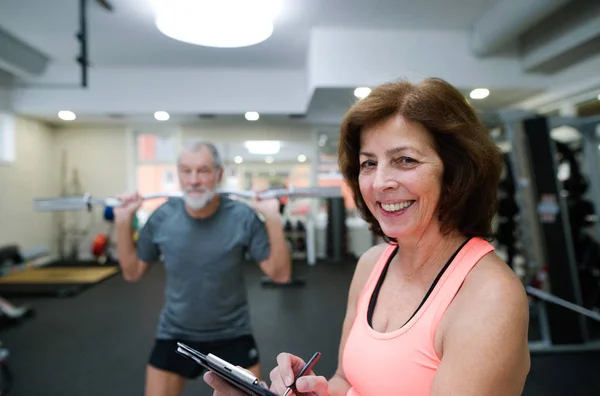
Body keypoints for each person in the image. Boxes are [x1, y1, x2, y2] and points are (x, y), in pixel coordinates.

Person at [204, 78, 531, 396]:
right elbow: (346, 381)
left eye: (405, 160)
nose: (380, 182)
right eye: (369, 163)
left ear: (455, 172)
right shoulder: (372, 264)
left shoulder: (489, 296)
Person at [113, 140, 292, 396]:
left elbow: (281, 274)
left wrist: (273, 217)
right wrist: (123, 221)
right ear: (179, 175)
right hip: (174, 333)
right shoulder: (162, 218)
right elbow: (132, 272)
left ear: (218, 174)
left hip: (232, 334)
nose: (194, 180)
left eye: (203, 171)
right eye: (186, 171)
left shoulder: (242, 216)